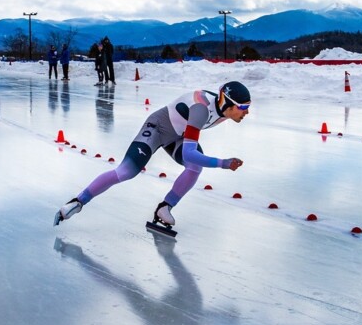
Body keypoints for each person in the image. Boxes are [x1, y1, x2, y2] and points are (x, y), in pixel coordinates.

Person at [55, 81, 250, 230]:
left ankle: (164, 208)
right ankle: (78, 202)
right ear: (229, 105)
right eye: (243, 108)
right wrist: (223, 163)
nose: (246, 112)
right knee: (126, 171)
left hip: (178, 135)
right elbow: (190, 153)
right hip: (157, 128)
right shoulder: (201, 109)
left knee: (194, 168)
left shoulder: (223, 110)